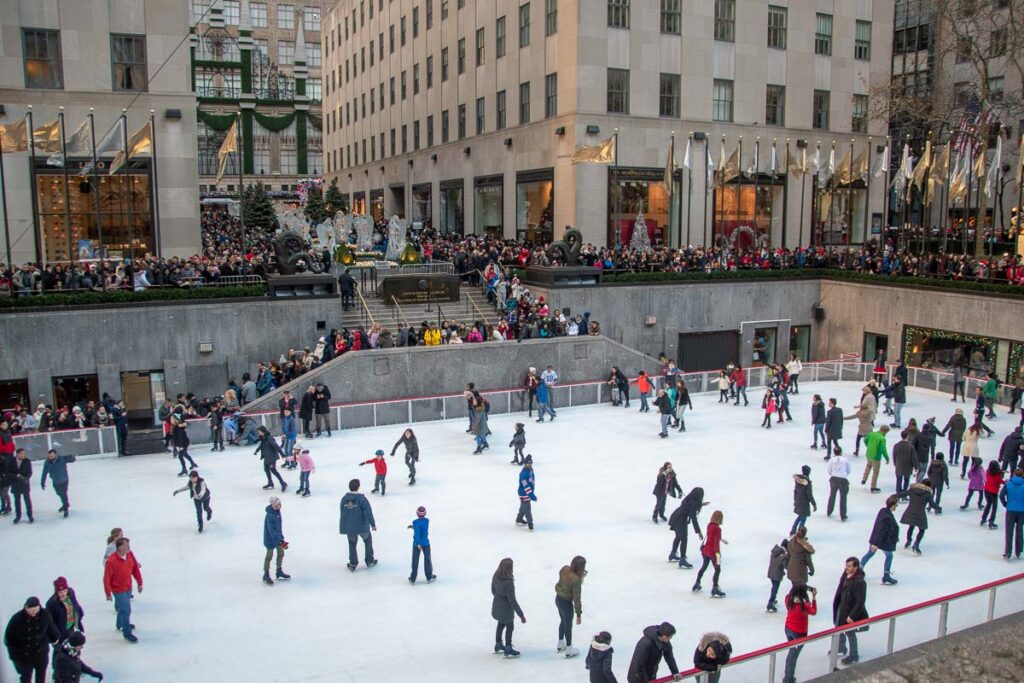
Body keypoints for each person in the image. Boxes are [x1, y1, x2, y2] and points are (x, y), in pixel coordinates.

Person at [4, 596, 59, 683]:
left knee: (41, 675)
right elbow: (9, 638)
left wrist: (55, 637)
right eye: (31, 610)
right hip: (24, 655)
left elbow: (51, 627)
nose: (34, 612)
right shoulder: (17, 618)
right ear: (26, 608)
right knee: (26, 676)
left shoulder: (44, 614)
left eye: (36, 610)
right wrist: (13, 656)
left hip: (41, 652)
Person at [102, 537, 142, 642]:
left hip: (128, 587)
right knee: (126, 609)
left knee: (123, 609)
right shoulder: (111, 561)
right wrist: (108, 593)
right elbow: (106, 578)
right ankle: (127, 632)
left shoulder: (130, 555)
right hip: (118, 589)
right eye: (126, 546)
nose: (129, 547)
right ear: (119, 547)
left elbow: (135, 569)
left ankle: (120, 624)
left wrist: (139, 582)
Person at [832, 557, 868, 666]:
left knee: (850, 632)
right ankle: (841, 647)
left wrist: (852, 615)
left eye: (849, 566)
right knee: (838, 627)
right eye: (846, 565)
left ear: (856, 567)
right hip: (841, 607)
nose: (846, 568)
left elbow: (860, 601)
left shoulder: (859, 582)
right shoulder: (845, 576)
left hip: (850, 611)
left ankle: (854, 655)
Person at [491, 558, 526, 658]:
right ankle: (508, 648)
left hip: (497, 606)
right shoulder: (509, 583)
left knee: (500, 624)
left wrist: (499, 597)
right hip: (506, 609)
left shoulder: (496, 575)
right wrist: (521, 615)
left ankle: (498, 644)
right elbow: (512, 601)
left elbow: (493, 590)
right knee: (509, 627)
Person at [339, 478, 377, 571]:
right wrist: (373, 524)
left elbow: (343, 512)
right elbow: (368, 512)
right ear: (358, 487)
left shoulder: (344, 499)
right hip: (362, 526)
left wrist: (345, 525)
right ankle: (369, 561)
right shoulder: (361, 499)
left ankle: (353, 563)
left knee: (352, 544)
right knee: (367, 541)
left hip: (350, 527)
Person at [861, 495, 900, 585]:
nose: (896, 507)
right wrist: (875, 543)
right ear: (893, 505)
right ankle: (886, 575)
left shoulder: (883, 511)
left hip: (877, 539)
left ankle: (859, 569)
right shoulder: (887, 517)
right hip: (883, 541)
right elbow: (881, 530)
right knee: (889, 556)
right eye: (896, 505)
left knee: (870, 554)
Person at [782, 585, 817, 683]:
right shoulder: (804, 605)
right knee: (793, 656)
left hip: (788, 629)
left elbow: (788, 595)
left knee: (791, 653)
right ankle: (788, 679)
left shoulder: (788, 599)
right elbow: (813, 612)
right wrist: (813, 598)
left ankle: (788, 676)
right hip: (799, 633)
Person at [554, 555, 587, 657]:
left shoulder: (565, 569)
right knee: (568, 625)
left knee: (563, 621)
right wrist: (578, 614)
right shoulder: (576, 580)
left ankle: (560, 643)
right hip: (566, 604)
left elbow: (566, 579)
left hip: (558, 600)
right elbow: (577, 598)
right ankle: (569, 648)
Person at [669, 487, 707, 568]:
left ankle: (672, 554)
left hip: (676, 516)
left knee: (678, 537)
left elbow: (690, 506)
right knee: (684, 539)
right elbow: (693, 518)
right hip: (680, 520)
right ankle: (682, 559)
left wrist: (701, 504)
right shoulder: (694, 504)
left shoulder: (688, 498)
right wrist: (699, 532)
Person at [693, 510, 726, 597]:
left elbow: (710, 537)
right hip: (712, 552)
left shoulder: (709, 525)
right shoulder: (718, 529)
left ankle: (697, 582)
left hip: (706, 550)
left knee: (704, 566)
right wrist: (718, 556)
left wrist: (721, 539)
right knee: (717, 569)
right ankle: (715, 587)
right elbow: (715, 544)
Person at [45, 577, 84, 643]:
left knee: (73, 648)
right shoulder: (51, 603)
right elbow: (50, 622)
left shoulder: (71, 592)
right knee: (61, 651)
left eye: (65, 591)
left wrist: (80, 613)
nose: (63, 594)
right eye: (60, 592)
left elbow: (75, 604)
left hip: (70, 628)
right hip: (60, 632)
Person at [898, 478, 933, 554]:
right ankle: (916, 544)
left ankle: (908, 540)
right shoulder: (927, 493)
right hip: (920, 514)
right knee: (922, 529)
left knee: (911, 526)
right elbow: (932, 504)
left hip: (911, 511)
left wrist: (895, 495)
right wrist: (938, 508)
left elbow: (904, 494)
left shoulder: (912, 490)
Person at [39, 449, 76, 519]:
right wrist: (42, 482)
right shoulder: (47, 462)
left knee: (63, 494)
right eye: (49, 456)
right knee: (59, 493)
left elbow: (72, 460)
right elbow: (44, 472)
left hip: (64, 480)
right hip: (55, 481)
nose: (51, 457)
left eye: (52, 456)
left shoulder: (62, 459)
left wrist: (72, 457)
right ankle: (66, 504)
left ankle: (65, 509)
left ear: (55, 455)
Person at [262, 496, 290, 585]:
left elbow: (278, 528)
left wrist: (281, 538)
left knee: (281, 553)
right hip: (270, 539)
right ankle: (266, 574)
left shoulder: (277, 512)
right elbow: (272, 531)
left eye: (280, 504)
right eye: (278, 504)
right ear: (273, 505)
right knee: (269, 556)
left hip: (278, 538)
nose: (280, 506)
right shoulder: (270, 516)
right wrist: (281, 541)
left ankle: (279, 571)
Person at [1000, 467, 1024, 560]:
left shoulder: (1008, 484)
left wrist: (1005, 504)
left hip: (1010, 510)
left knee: (1009, 531)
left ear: (1014, 474)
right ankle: (1018, 550)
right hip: (1022, 511)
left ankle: (1008, 552)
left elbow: (1001, 495)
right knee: (1020, 530)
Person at [254, 426, 287, 492]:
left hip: (272, 457)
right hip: (266, 457)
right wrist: (256, 451)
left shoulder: (269, 438)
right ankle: (270, 483)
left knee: (273, 470)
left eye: (259, 431)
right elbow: (261, 445)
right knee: (266, 470)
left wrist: (282, 455)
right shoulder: (264, 438)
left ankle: (282, 483)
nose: (258, 433)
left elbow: (277, 447)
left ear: (262, 431)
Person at [408, 506, 435, 583]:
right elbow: (422, 529)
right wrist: (413, 527)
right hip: (426, 543)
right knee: (427, 560)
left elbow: (417, 533)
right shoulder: (427, 521)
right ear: (425, 513)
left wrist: (418, 543)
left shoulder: (415, 522)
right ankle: (429, 576)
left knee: (415, 561)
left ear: (417, 513)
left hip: (417, 544)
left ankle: (413, 578)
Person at [861, 425, 891, 493]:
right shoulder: (882, 438)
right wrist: (887, 458)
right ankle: (873, 486)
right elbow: (883, 450)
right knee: (875, 472)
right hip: (876, 457)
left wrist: (868, 446)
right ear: (885, 432)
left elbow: (865, 440)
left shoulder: (871, 433)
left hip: (868, 454)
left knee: (868, 466)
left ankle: (864, 479)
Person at [826, 446, 851, 521]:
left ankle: (829, 511)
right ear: (841, 452)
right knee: (843, 497)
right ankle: (843, 515)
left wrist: (833, 474)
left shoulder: (831, 460)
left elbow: (829, 470)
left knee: (832, 495)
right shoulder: (845, 460)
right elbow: (848, 470)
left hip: (834, 478)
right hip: (843, 479)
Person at [790, 465, 817, 535]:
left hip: (798, 501)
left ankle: (793, 531)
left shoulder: (798, 481)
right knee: (803, 518)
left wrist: (795, 501)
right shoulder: (807, 483)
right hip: (804, 503)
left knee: (799, 517)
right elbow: (809, 495)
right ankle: (800, 533)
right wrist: (814, 504)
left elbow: (795, 492)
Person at [9, 448, 33, 524]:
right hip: (15, 485)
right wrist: (16, 475)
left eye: (24, 453)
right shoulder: (11, 461)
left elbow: (30, 472)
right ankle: (18, 516)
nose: (24, 455)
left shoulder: (27, 461)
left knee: (27, 501)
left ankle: (30, 515)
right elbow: (8, 473)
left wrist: (26, 478)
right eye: (22, 453)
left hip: (24, 484)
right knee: (17, 502)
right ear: (18, 454)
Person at [171, 412, 197, 476]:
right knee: (185, 454)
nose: (171, 420)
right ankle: (193, 463)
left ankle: (184, 470)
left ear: (176, 420)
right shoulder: (176, 426)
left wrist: (181, 446)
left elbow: (180, 437)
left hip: (184, 443)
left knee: (180, 456)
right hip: (184, 443)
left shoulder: (178, 428)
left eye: (172, 419)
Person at [981, 460, 1004, 530]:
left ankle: (983, 518)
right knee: (994, 507)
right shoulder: (997, 475)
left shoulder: (988, 471)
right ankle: (991, 521)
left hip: (986, 490)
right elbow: (1001, 481)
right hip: (993, 492)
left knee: (988, 504)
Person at [516, 455, 536, 531]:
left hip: (528, 492)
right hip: (524, 493)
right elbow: (525, 485)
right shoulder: (523, 474)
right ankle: (530, 523)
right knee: (527, 508)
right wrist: (531, 495)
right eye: (528, 463)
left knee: (523, 507)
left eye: (531, 463)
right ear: (525, 464)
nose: (530, 465)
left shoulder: (530, 470)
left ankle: (519, 519)